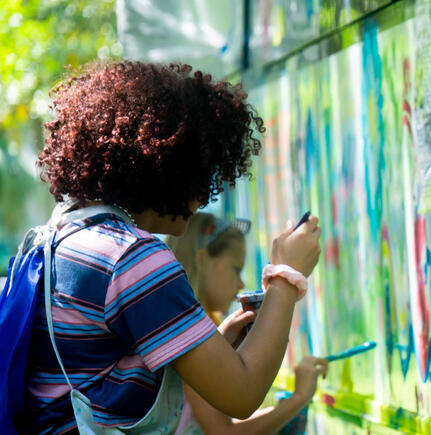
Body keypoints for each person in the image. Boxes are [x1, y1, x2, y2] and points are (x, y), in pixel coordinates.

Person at [15, 60, 321, 434]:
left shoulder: (61, 237)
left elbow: (102, 370)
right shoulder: (130, 257)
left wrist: (216, 342)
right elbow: (241, 394)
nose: (203, 198)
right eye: (203, 175)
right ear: (166, 168)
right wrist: (286, 278)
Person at [166, 213, 328, 434]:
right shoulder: (189, 334)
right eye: (236, 269)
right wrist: (298, 399)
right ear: (202, 260)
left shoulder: (196, 326)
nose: (241, 283)